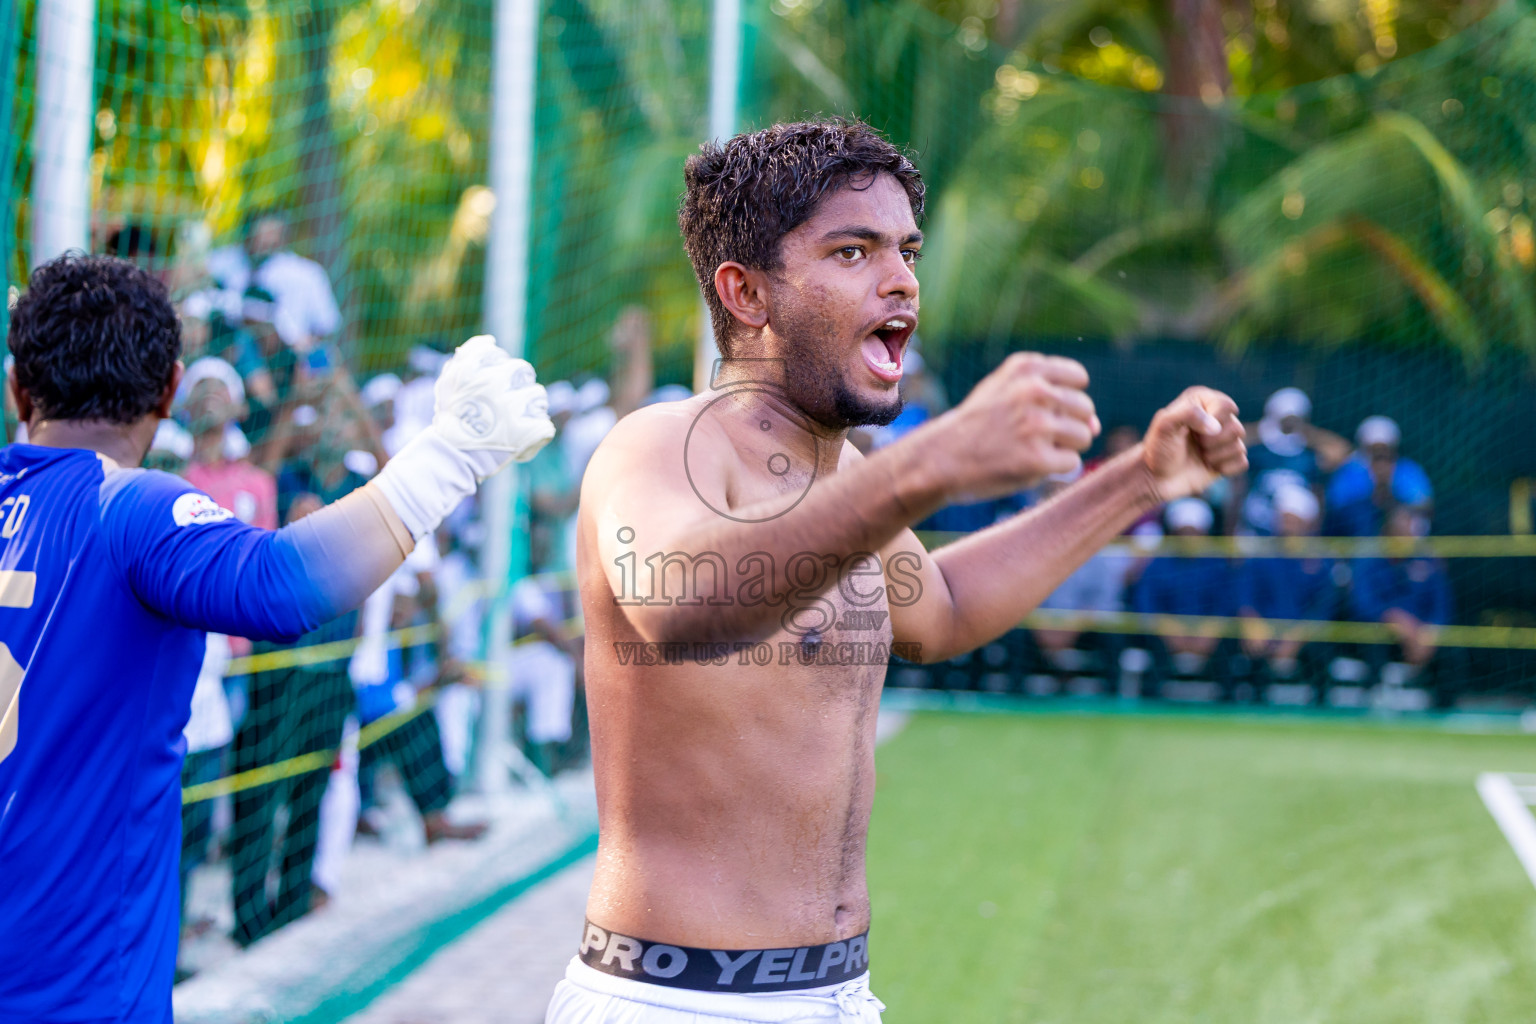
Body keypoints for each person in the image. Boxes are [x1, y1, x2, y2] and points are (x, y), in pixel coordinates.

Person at [547, 119, 1247, 1023]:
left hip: (836, 994)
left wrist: (1140, 480)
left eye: (906, 251)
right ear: (746, 293)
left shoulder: (843, 476)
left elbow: (942, 607)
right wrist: (933, 462)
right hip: (676, 1003)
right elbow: (678, 600)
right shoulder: (659, 443)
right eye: (853, 251)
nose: (903, 280)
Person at [0, 254, 554, 1023]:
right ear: (169, 390)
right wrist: (453, 454)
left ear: (18, 388)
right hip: (77, 997)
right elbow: (284, 584)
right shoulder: (130, 509)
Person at [1236, 483, 1339, 689]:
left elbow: (1323, 608)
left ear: (1305, 523)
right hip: (1266, 632)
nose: (1286, 525)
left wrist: (1295, 639)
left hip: (1303, 636)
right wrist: (1252, 623)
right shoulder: (1261, 555)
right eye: (1283, 519)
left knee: (1322, 651)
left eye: (1291, 520)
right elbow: (1245, 595)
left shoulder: (1321, 561)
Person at [1131, 498, 1237, 692]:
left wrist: (1211, 629)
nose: (1188, 539)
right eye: (1183, 533)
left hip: (1208, 632)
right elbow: (1145, 602)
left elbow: (1226, 603)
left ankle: (1227, 701)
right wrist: (1165, 627)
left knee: (1227, 653)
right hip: (1165, 632)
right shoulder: (1159, 564)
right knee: (1154, 651)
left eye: (1193, 533)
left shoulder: (1217, 565)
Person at [1350, 505, 1455, 698]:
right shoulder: (1369, 558)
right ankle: (1373, 699)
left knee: (1452, 652)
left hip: (1420, 633)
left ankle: (1444, 705)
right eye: (1398, 530)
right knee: (1372, 642)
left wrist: (1429, 633)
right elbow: (1361, 603)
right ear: (1386, 531)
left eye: (1408, 530)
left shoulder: (1428, 560)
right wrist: (1392, 617)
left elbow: (1441, 605)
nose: (1403, 536)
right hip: (1381, 631)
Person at [1231, 387, 1345, 536]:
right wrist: (1265, 428)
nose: (1288, 426)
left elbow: (1340, 451)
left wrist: (1305, 432)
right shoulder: (1258, 451)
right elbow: (1238, 489)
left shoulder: (1308, 455)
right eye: (1284, 421)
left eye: (1293, 421)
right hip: (1255, 529)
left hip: (1294, 536)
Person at [1324, 415, 1433, 537]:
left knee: (1409, 521)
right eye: (1374, 450)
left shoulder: (1407, 470)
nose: (1380, 454)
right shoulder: (1350, 470)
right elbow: (1337, 505)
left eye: (1384, 449)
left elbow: (1424, 504)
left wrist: (1393, 504)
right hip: (1358, 530)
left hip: (1399, 526)